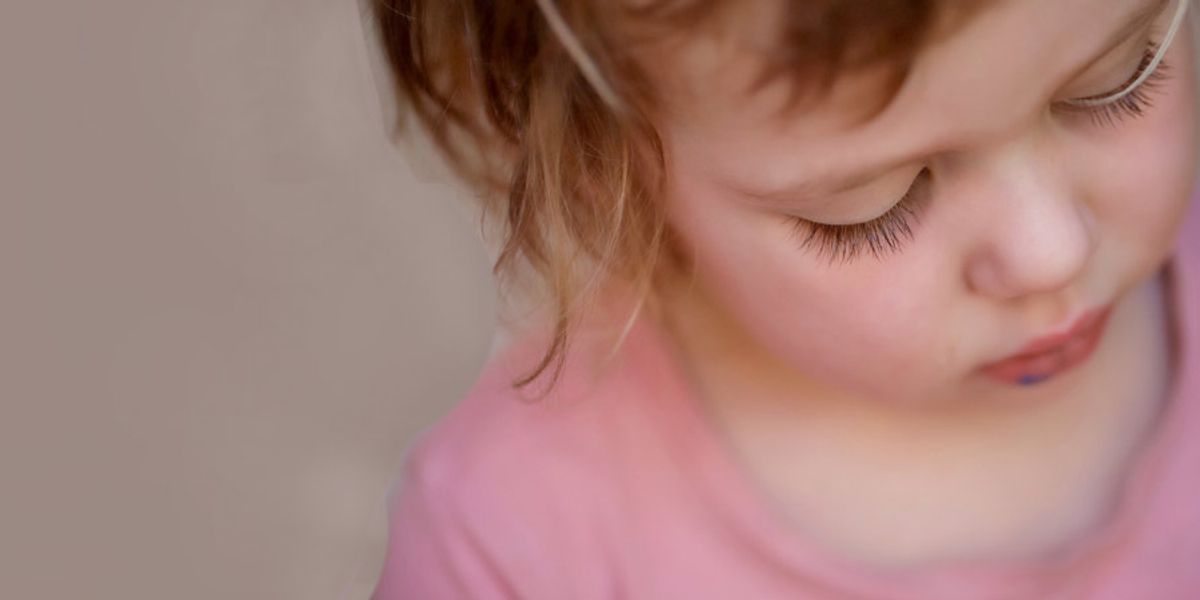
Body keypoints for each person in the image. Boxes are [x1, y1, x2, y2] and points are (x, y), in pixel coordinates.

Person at [370, 0, 1200, 597]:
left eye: (1121, 78)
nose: (1052, 251)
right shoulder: (513, 544)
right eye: (872, 206)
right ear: (602, 171)